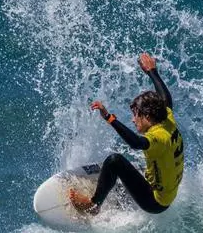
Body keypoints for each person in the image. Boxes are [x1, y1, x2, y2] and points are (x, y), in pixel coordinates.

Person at [68, 53, 184, 216]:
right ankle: (119, 194)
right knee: (135, 167)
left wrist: (109, 117)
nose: (133, 119)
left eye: (136, 115)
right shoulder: (166, 119)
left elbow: (136, 143)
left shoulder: (158, 138)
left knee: (114, 161)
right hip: (168, 191)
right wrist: (152, 71)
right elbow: (166, 98)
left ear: (148, 117)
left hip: (155, 202)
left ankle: (93, 205)